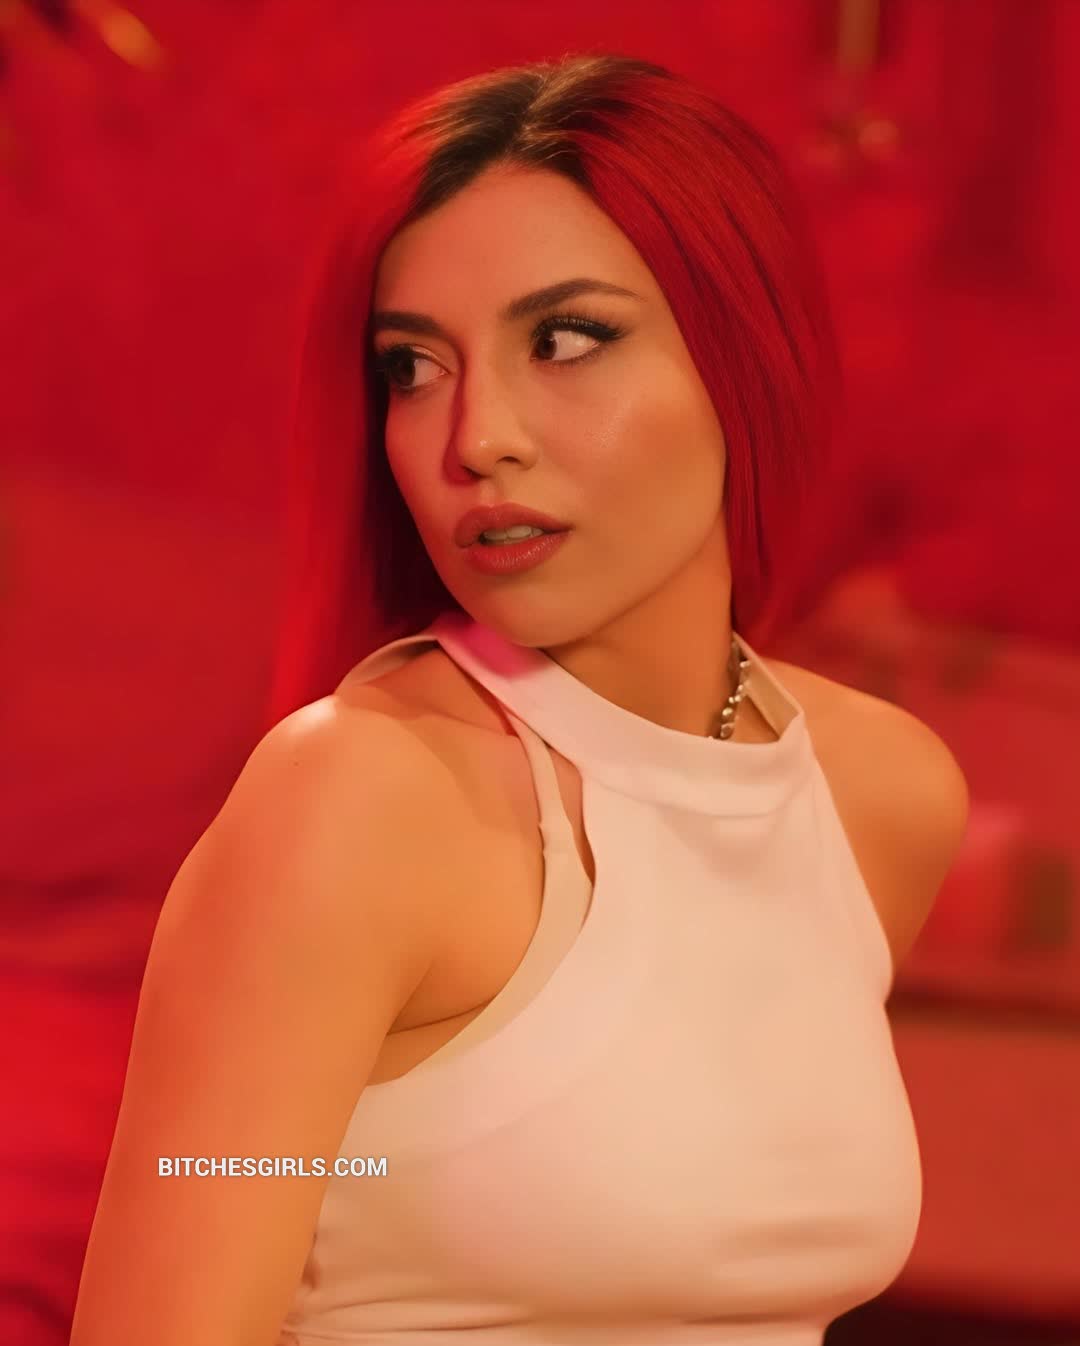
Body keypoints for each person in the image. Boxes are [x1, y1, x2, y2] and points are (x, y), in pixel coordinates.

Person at [70, 52, 970, 1346]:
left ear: (743, 354)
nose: (478, 435)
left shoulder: (884, 792)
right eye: (413, 366)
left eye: (565, 340)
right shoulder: (357, 800)